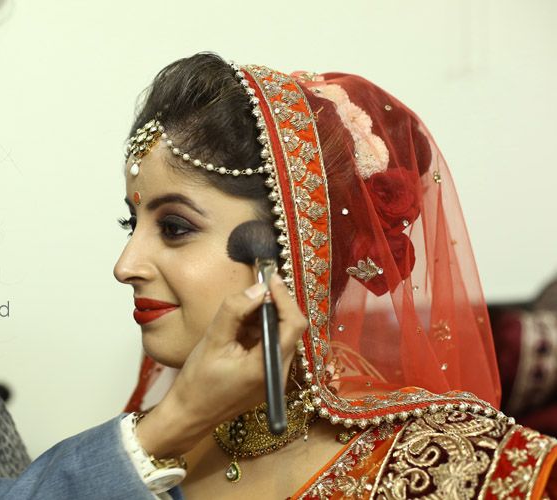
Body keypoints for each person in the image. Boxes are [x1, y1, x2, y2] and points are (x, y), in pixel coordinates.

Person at [0, 3, 307, 499]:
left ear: (300, 239)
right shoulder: (165, 448)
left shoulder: (381, 472)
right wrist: (174, 423)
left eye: (174, 227)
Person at [116, 53, 557, 499]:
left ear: (298, 243)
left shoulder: (459, 470)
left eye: (174, 227)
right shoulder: (137, 450)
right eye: (130, 225)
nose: (125, 266)